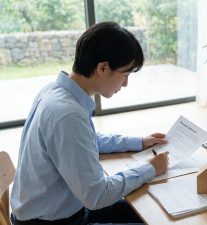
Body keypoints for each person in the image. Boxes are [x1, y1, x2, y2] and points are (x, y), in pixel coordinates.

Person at [10, 21, 169, 224]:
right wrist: (150, 169)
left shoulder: (57, 92)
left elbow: (87, 140)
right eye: (126, 74)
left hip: (52, 210)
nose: (126, 83)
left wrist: (139, 141)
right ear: (103, 67)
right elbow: (97, 195)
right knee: (152, 217)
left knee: (146, 210)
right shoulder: (68, 114)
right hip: (53, 221)